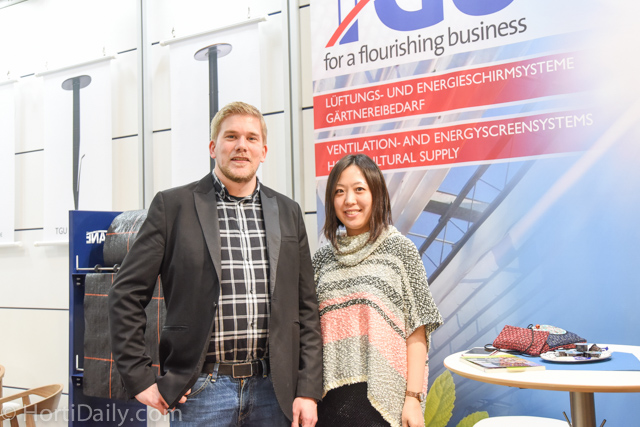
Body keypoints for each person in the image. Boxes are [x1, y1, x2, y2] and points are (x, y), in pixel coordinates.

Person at [109, 101, 322, 427]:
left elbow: (306, 307)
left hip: (274, 390)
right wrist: (138, 377)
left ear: (263, 151)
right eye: (231, 136)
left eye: (251, 138)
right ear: (213, 147)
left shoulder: (288, 212)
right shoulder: (173, 206)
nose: (241, 146)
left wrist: (307, 388)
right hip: (201, 391)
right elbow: (126, 293)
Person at [312, 154, 443, 427]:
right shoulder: (322, 259)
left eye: (359, 189)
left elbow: (417, 330)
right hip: (327, 401)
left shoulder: (400, 251)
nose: (349, 200)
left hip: (382, 400)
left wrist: (413, 398)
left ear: (376, 193)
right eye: (339, 191)